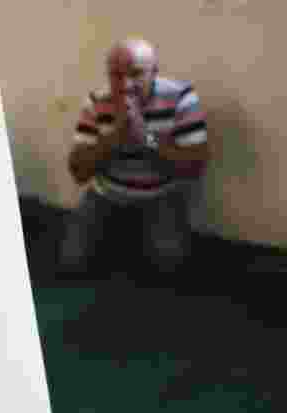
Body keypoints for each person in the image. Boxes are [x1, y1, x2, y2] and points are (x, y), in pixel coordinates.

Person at [60, 37, 209, 277]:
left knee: (170, 266)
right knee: (71, 263)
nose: (126, 84)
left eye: (136, 74)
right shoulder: (97, 102)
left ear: (155, 73)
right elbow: (78, 172)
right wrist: (114, 137)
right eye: (116, 75)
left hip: (161, 194)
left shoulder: (181, 97)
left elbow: (195, 167)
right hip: (106, 193)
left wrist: (146, 138)